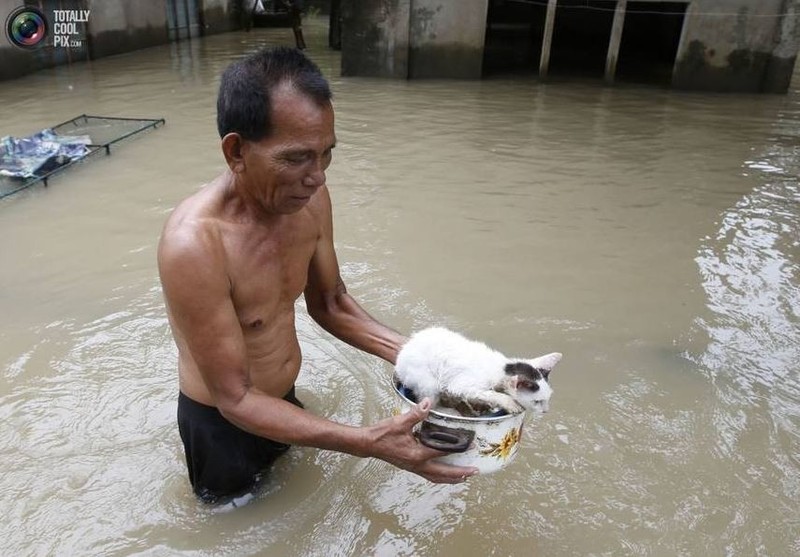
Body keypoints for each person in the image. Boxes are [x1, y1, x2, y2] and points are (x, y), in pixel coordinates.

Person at [157, 47, 478, 505]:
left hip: (281, 402)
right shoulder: (195, 246)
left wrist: (428, 361)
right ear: (236, 151)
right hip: (222, 424)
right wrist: (367, 441)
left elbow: (331, 303)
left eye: (326, 154)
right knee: (234, 526)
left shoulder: (307, 202)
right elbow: (236, 398)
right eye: (297, 158)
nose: (317, 178)